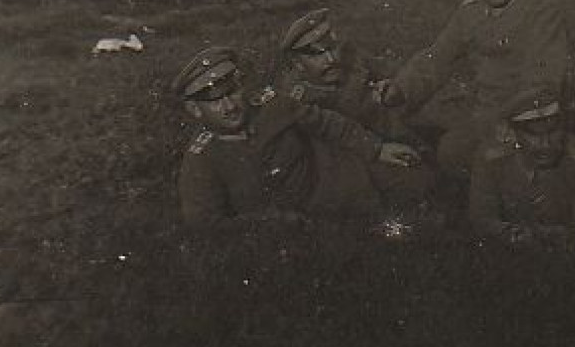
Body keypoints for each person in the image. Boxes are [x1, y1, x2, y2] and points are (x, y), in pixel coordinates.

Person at [377, 0, 570, 181]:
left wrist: (511, 119)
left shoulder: (541, 12)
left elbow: (544, 80)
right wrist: (400, 89)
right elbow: (436, 59)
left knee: (458, 153)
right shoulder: (469, 13)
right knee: (423, 138)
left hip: (532, 117)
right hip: (483, 112)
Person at [171, 46, 422, 229]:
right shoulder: (201, 160)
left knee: (420, 184)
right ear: (194, 110)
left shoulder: (271, 106)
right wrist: (267, 222)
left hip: (337, 191)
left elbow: (326, 123)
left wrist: (377, 148)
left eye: (231, 93)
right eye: (214, 101)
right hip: (286, 238)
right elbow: (205, 225)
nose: (229, 107)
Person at [273, 8, 436, 214]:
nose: (331, 59)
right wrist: (379, 149)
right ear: (297, 64)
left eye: (331, 48)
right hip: (353, 164)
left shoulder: (350, 65)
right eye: (317, 55)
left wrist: (389, 86)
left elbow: (384, 75)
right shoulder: (296, 99)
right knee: (419, 182)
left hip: (394, 136)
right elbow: (335, 140)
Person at [467, 84, 575, 244]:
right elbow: (482, 219)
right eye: (534, 135)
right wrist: (521, 236)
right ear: (514, 134)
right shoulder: (492, 160)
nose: (546, 144)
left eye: (553, 132)